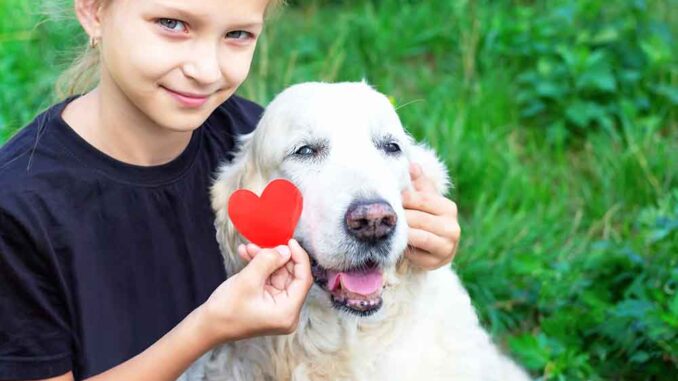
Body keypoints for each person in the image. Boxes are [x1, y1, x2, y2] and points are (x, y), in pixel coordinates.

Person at [0, 0, 461, 380]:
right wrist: (209, 329)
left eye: (238, 35)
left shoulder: (253, 140)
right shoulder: (18, 208)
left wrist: (427, 240)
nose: (206, 70)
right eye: (172, 24)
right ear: (94, 10)